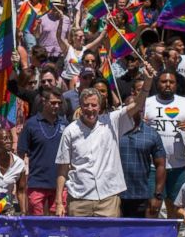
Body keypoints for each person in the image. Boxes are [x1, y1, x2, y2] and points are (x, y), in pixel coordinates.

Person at [55, 69, 151, 218]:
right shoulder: (70, 131)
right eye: (86, 105)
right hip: (79, 199)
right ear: (80, 106)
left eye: (94, 105)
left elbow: (137, 105)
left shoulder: (112, 121)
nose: (90, 109)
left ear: (100, 106)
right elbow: (62, 170)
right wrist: (59, 202)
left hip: (108, 198)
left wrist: (148, 81)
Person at [145, 69, 185, 216]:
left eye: (171, 82)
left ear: (176, 84)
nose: (168, 85)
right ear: (157, 83)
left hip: (178, 167)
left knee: (176, 210)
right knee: (152, 207)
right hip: (152, 166)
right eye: (164, 81)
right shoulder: (147, 103)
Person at [17, 88, 69, 216]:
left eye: (59, 103)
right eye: (53, 102)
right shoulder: (31, 124)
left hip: (59, 184)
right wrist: (21, 182)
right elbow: (21, 153)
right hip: (36, 182)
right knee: (35, 224)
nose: (56, 106)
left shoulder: (65, 123)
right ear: (43, 101)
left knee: (57, 224)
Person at [119, 98, 167, 219]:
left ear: (142, 109)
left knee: (139, 235)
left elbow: (161, 165)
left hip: (141, 195)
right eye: (130, 107)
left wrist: (157, 196)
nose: (133, 110)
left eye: (136, 106)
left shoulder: (152, 134)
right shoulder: (114, 130)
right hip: (114, 196)